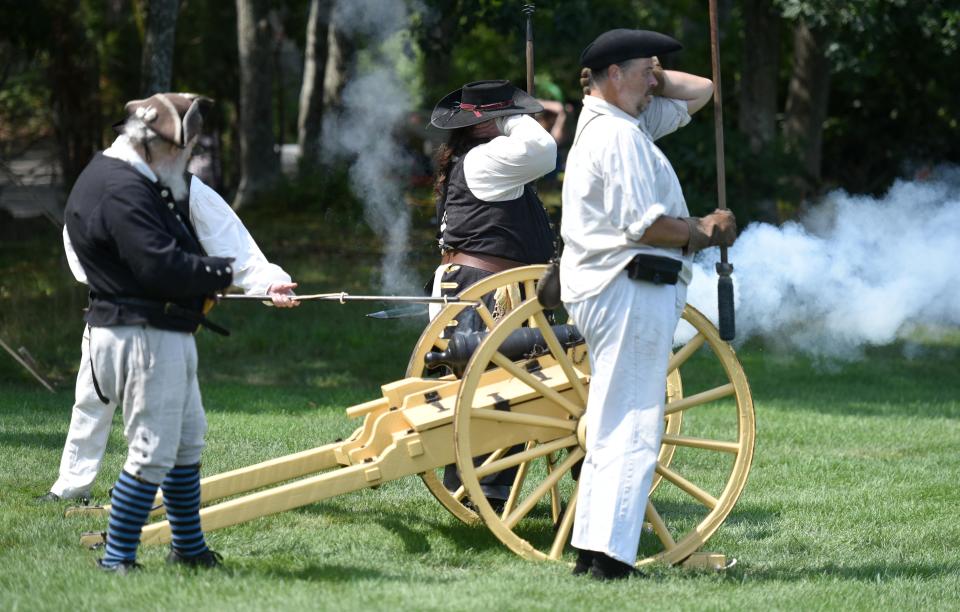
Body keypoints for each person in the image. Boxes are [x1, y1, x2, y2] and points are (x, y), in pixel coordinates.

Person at [57, 93, 296, 573]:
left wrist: (255, 276)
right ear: (150, 142)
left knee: (186, 445)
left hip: (158, 330)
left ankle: (187, 547)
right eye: (179, 150)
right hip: (141, 335)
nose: (184, 159)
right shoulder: (119, 187)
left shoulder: (131, 177)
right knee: (151, 453)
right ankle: (117, 558)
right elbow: (157, 266)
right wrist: (219, 274)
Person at [559, 29, 737, 580]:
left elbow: (702, 90)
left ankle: (593, 551)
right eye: (644, 74)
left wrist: (653, 73)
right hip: (630, 287)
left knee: (611, 420)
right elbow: (651, 227)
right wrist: (706, 229)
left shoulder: (620, 121)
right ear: (613, 75)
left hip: (615, 288)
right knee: (635, 423)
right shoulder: (618, 136)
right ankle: (612, 559)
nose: (654, 85)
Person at [428, 79, 556, 510]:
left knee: (480, 390)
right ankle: (484, 492)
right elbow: (544, 149)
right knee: (495, 389)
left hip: (472, 288)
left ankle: (473, 488)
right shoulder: (486, 157)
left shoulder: (478, 157)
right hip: (485, 294)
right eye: (508, 115)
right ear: (491, 122)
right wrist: (516, 119)